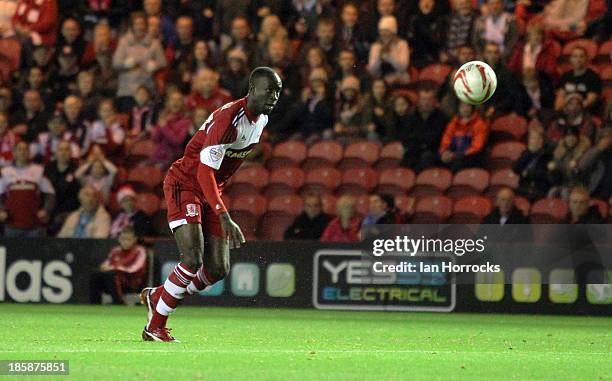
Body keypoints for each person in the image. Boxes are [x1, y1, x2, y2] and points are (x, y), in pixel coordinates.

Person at [139, 67, 282, 342]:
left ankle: (160, 296)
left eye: (278, 92)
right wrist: (223, 214)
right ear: (252, 89)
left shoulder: (261, 119)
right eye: (269, 90)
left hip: (209, 190)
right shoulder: (229, 119)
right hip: (186, 183)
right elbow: (204, 171)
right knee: (191, 258)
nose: (274, 97)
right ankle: (155, 326)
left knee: (218, 268)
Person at [0, 141, 55, 237]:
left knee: (36, 252)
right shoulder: (5, 172)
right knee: (13, 252)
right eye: (19, 149)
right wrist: (1, 210)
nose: (22, 152)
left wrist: (46, 210)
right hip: (11, 225)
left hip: (34, 226)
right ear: (14, 152)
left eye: (25, 149)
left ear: (29, 152)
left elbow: (50, 194)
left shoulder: (39, 170)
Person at [90, 225, 148, 304]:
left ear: (134, 239)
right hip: (113, 281)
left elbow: (134, 269)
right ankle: (95, 304)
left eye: (128, 239)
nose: (125, 242)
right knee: (96, 275)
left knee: (112, 274)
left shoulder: (140, 250)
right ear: (119, 239)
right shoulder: (115, 251)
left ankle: (119, 302)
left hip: (132, 283)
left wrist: (115, 268)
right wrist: (105, 267)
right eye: (123, 239)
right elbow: (106, 265)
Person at [44, 140, 81, 235]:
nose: (63, 152)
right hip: (50, 211)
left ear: (71, 153)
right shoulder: (48, 169)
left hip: (70, 212)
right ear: (56, 153)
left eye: (66, 149)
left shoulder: (77, 169)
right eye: (61, 149)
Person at [439, 102, 489, 171]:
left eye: (467, 106)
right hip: (453, 155)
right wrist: (444, 152)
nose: (465, 109)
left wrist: (456, 155)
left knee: (458, 163)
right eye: (462, 106)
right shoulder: (453, 123)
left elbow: (477, 147)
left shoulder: (479, 124)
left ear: (472, 107)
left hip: (470, 156)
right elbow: (446, 140)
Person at [554, 46, 602, 113]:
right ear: (570, 59)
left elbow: (590, 101)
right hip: (566, 111)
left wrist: (573, 110)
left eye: (581, 56)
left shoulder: (593, 77)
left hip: (584, 112)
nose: (578, 59)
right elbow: (559, 100)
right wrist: (561, 111)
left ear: (586, 59)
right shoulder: (565, 76)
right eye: (575, 56)